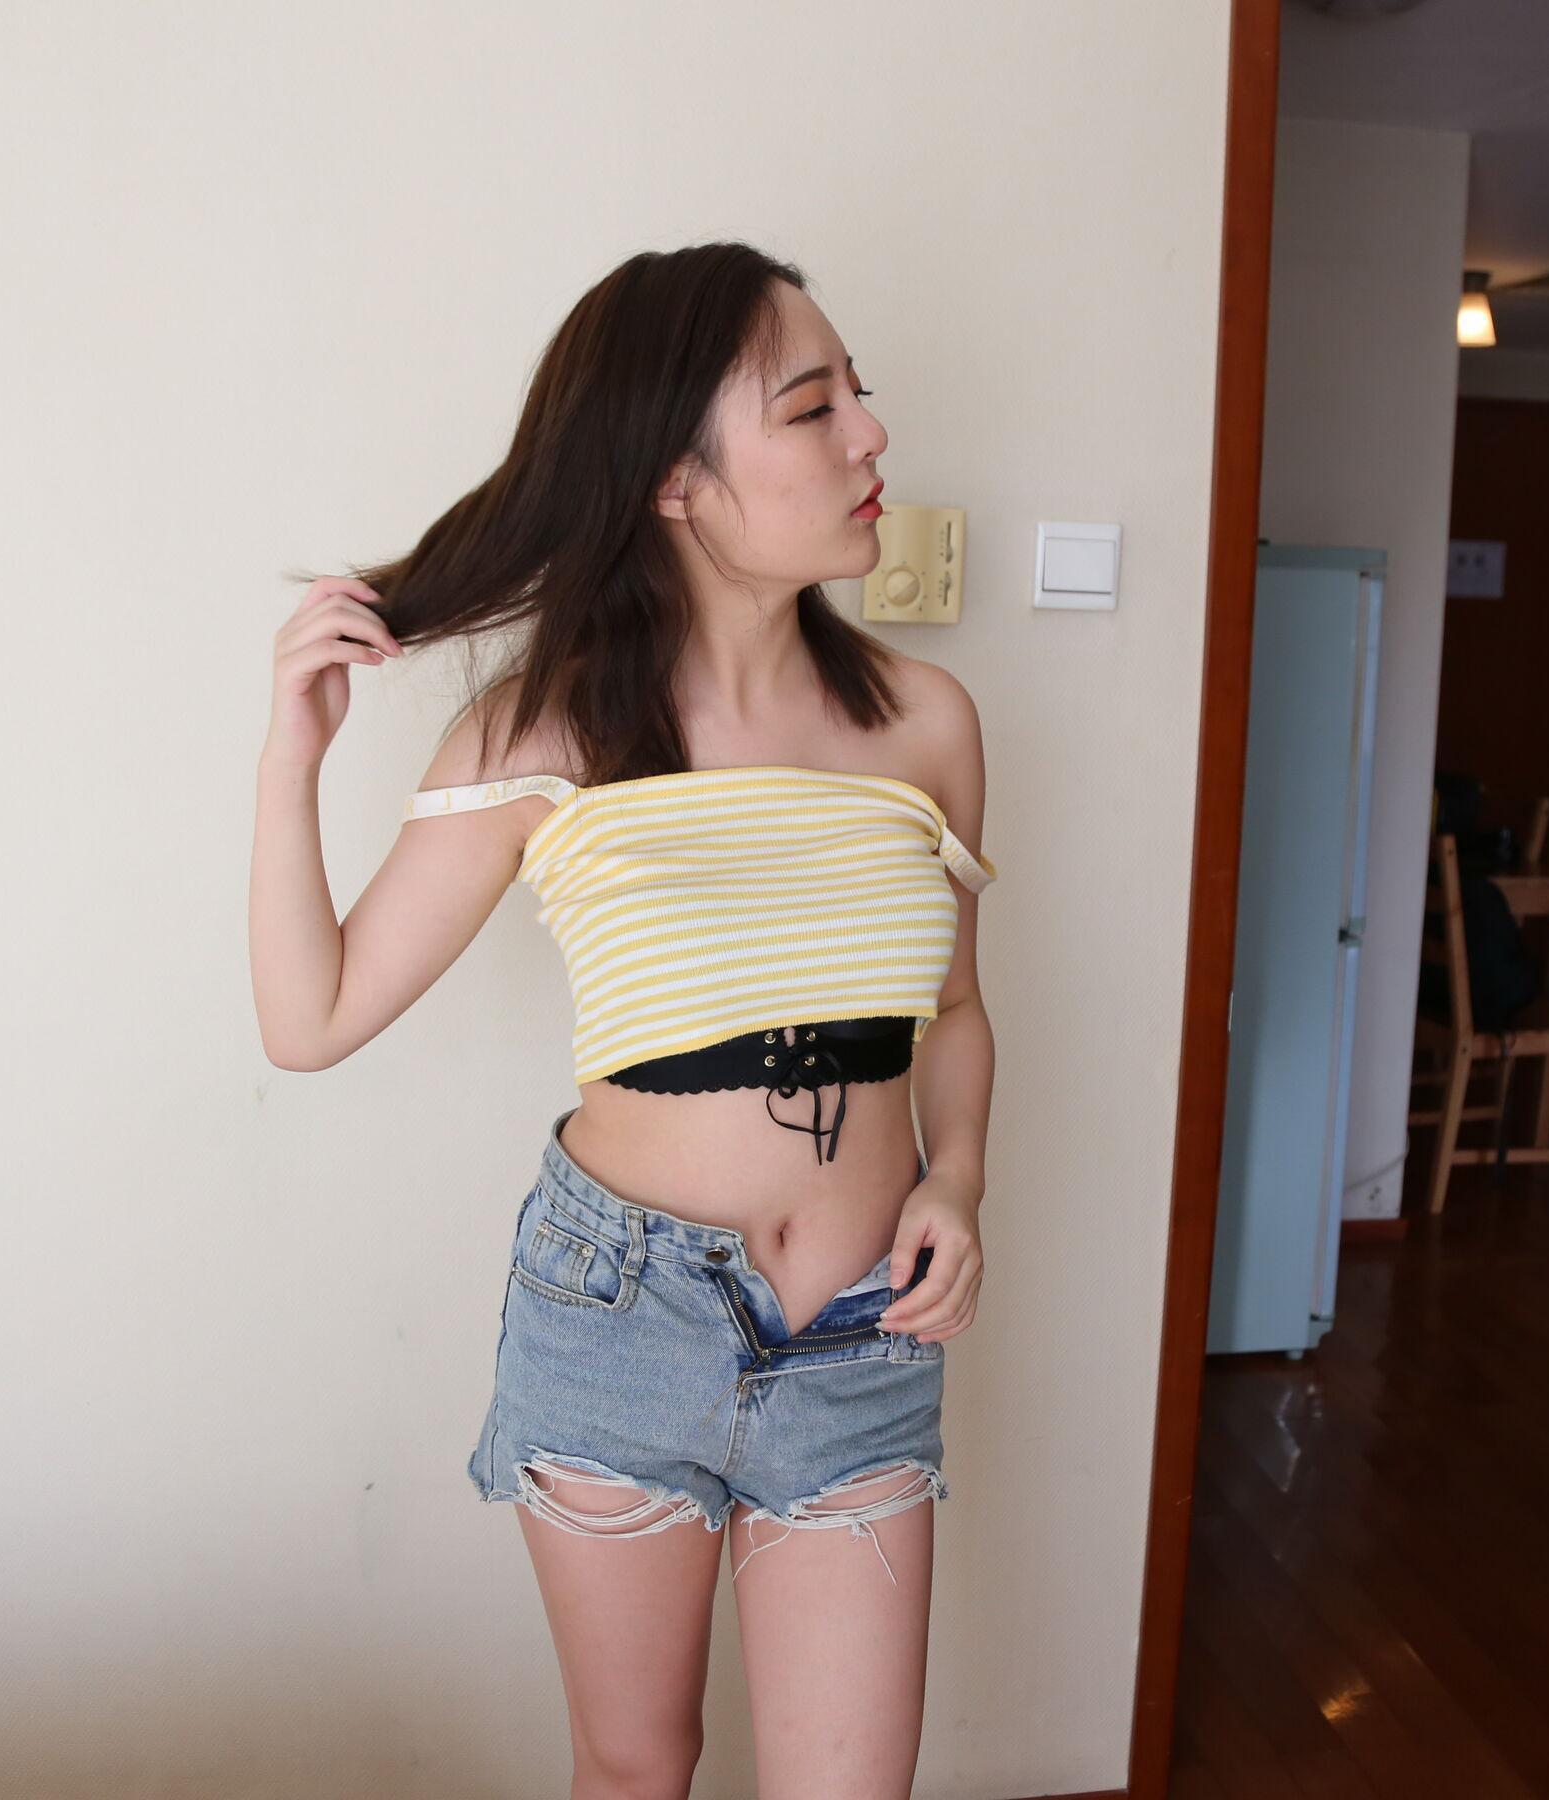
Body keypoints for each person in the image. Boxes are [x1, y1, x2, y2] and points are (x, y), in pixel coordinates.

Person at [247, 241, 996, 1800]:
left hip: (862, 1328)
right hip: (621, 1318)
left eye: (859, 396)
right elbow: (308, 1019)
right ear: (673, 480)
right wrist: (290, 757)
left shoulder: (924, 724)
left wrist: (959, 1181)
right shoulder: (541, 733)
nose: (871, 434)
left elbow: (958, 1008)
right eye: (814, 407)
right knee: (637, 1770)